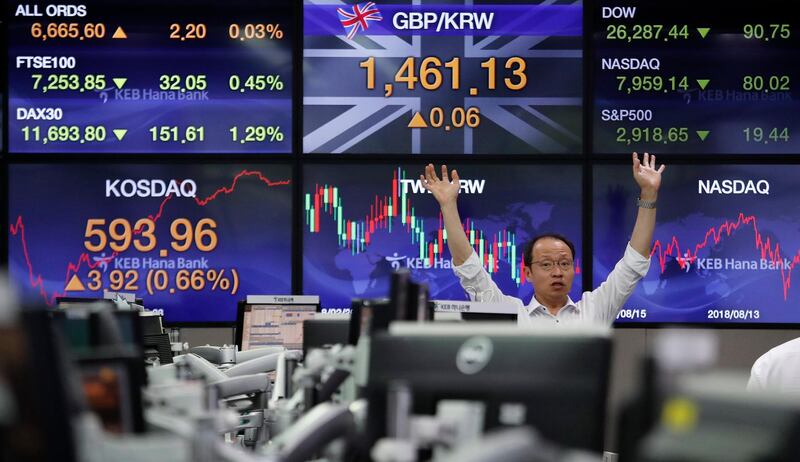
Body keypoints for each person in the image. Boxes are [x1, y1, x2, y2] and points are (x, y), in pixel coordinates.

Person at [421, 152, 665, 326]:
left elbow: (633, 263)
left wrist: (649, 194)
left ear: (573, 269)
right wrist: (448, 206)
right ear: (527, 273)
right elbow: (469, 270)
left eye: (564, 263)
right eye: (546, 264)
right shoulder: (512, 315)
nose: (557, 272)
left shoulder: (594, 309)